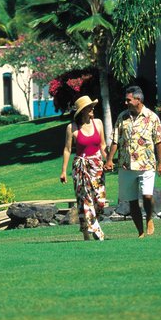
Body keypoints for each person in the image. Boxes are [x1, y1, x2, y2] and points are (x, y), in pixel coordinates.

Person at [104, 85, 161, 238]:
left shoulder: (152, 117)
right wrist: (110, 159)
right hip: (126, 165)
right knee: (131, 201)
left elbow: (159, 141)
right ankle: (140, 232)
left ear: (138, 100)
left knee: (147, 196)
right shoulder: (122, 117)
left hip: (147, 164)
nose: (126, 102)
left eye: (128, 100)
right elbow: (115, 140)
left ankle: (150, 219)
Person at [60, 95, 107, 241]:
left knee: (99, 200)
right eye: (89, 107)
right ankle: (95, 231)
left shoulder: (98, 123)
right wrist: (63, 171)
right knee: (84, 200)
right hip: (81, 167)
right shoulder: (72, 128)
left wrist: (108, 160)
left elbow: (103, 145)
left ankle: (89, 227)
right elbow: (67, 149)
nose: (92, 109)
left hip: (97, 166)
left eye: (92, 106)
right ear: (82, 111)